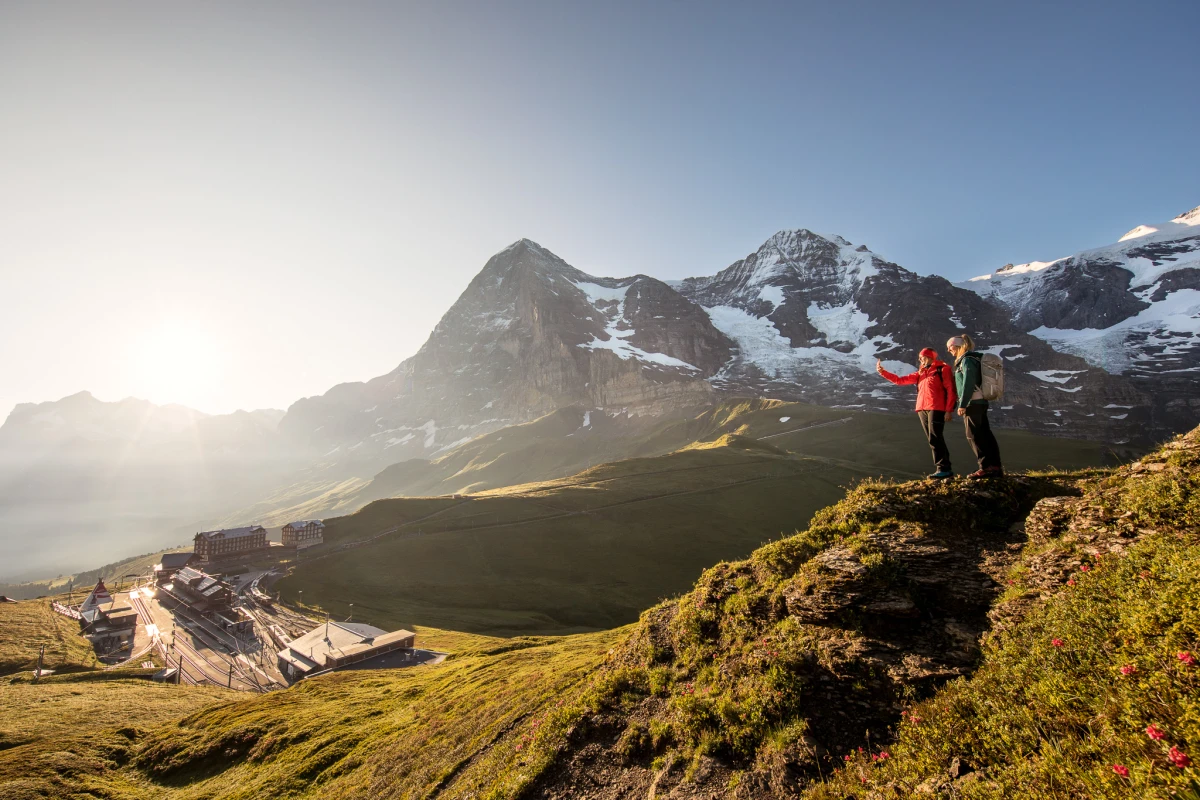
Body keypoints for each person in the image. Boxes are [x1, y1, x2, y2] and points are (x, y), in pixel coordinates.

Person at [876, 348, 958, 479]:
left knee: (935, 437)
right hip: (922, 408)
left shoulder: (942, 369)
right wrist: (883, 372)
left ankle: (944, 468)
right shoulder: (921, 372)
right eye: (920, 357)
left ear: (931, 357)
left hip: (936, 407)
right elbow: (900, 380)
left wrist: (949, 410)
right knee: (932, 438)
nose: (920, 359)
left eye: (923, 357)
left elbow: (950, 389)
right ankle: (942, 468)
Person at [946, 334, 1003, 478]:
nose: (949, 350)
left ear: (958, 346)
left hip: (973, 403)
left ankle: (985, 467)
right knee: (985, 433)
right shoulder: (973, 359)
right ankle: (995, 467)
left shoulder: (967, 361)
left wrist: (962, 404)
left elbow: (968, 383)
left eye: (950, 347)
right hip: (981, 402)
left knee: (973, 434)